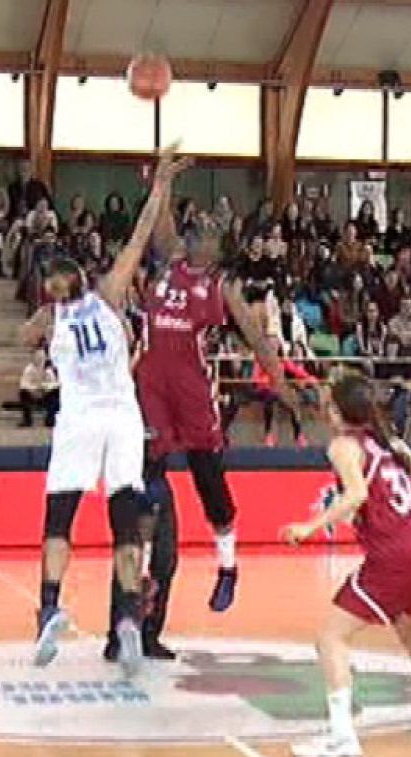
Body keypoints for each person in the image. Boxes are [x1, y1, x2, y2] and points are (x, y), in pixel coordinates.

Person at [18, 145, 187, 676]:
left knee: (59, 518)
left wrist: (44, 335)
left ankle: (50, 605)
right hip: (122, 417)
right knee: (126, 521)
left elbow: (23, 340)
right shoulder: (111, 293)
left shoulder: (50, 316)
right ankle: (131, 617)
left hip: (80, 419)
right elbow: (139, 236)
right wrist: (160, 184)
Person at [280, 374, 411, 757]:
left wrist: (310, 526)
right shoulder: (393, 444)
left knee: (331, 637)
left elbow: (356, 494)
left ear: (337, 410)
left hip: (395, 551)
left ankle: (342, 737)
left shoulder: (344, 446)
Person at [138, 184, 298, 615]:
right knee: (147, 476)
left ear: (217, 247)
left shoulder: (221, 286)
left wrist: (280, 382)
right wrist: (163, 180)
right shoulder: (170, 263)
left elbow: (257, 339)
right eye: (198, 226)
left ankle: (227, 566)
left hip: (192, 392)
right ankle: (145, 572)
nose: (200, 230)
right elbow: (161, 226)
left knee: (207, 478)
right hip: (152, 388)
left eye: (209, 229)